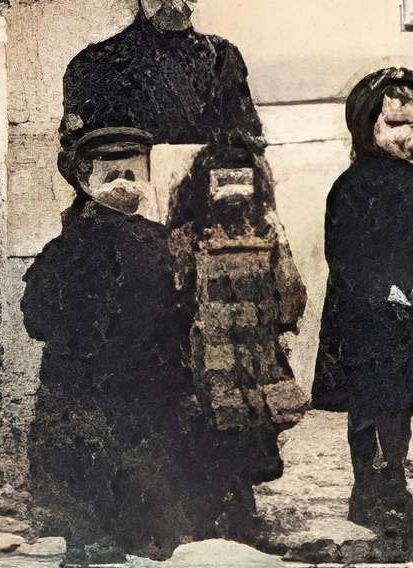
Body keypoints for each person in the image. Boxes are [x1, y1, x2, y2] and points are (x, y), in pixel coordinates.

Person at [23, 126, 195, 563]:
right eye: (112, 173)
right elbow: (38, 319)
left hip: (147, 392)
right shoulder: (63, 252)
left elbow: (187, 314)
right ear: (85, 180)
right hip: (89, 394)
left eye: (134, 172)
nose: (126, 184)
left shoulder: (166, 245)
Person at [313, 67, 413, 533]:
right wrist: (382, 289)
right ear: (367, 126)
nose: (407, 134)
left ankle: (395, 485)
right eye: (395, 124)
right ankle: (367, 492)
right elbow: (345, 255)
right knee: (369, 405)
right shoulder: (352, 187)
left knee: (401, 405)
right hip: (368, 318)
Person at [164, 139, 308, 541]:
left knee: (251, 433)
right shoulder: (187, 238)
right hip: (206, 354)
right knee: (211, 432)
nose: (233, 192)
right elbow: (176, 296)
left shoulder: (267, 231)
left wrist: (280, 327)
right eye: (222, 181)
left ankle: (240, 512)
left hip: (256, 352)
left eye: (241, 181)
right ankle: (211, 514)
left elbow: (291, 291)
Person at [60, 0, 261, 150]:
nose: (177, 3)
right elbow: (74, 153)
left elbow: (249, 142)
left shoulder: (223, 57)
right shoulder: (92, 64)